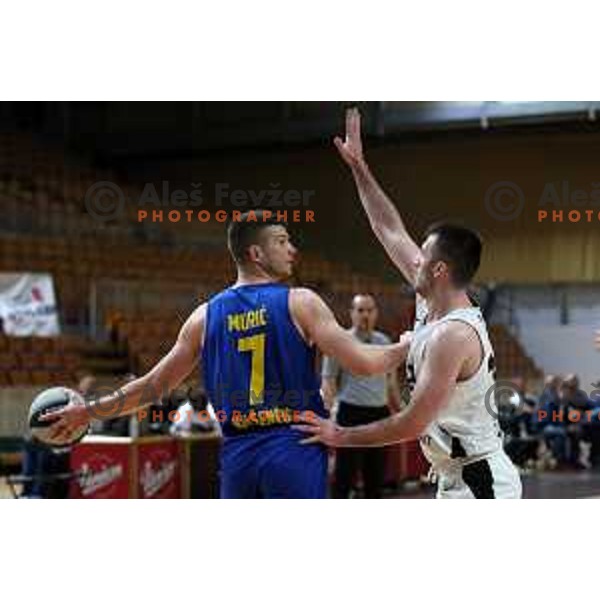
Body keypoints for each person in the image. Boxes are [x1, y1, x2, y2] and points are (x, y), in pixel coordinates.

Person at [41, 210, 410, 498]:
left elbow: (153, 386)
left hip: (238, 455)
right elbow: (364, 362)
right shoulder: (301, 302)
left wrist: (87, 411)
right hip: (293, 446)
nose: (292, 249)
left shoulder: (204, 316)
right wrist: (409, 345)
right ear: (256, 253)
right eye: (282, 241)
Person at [295, 107, 522, 499]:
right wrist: (359, 167)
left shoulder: (453, 334)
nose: (414, 258)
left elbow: (412, 423)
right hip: (456, 475)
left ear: (439, 270)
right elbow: (388, 228)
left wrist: (340, 436)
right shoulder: (429, 303)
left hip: (480, 483)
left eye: (423, 256)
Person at [322, 294, 401, 498]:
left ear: (376, 313)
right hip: (350, 413)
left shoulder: (384, 341)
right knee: (344, 475)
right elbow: (329, 380)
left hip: (380, 414)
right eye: (360, 310)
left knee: (375, 476)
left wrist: (401, 409)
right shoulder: (339, 342)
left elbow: (390, 382)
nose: (365, 314)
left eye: (369, 310)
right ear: (351, 313)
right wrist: (330, 414)